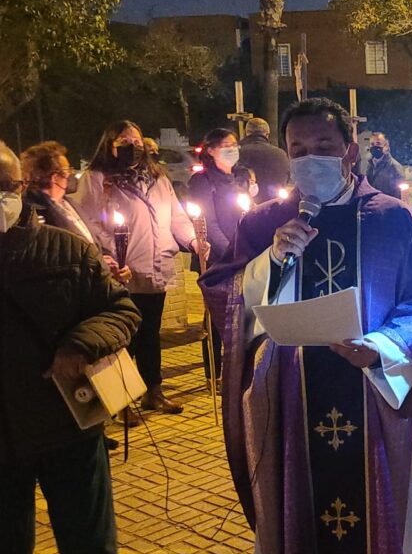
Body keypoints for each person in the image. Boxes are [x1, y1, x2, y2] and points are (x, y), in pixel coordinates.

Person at [199, 98, 412, 554]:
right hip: (292, 402)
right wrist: (270, 263)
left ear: (349, 149)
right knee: (301, 518)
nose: (310, 157)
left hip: (376, 401)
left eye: (323, 146)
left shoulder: (393, 219)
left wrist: (384, 347)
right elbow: (222, 295)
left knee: (383, 528)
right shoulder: (262, 225)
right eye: (298, 148)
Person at [0, 141, 141, 554]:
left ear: (21, 187)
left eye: (3, 185)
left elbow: (122, 311)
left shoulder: (67, 250)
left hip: (68, 427)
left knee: (91, 553)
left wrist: (80, 344)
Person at [71, 120, 205, 423]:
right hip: (121, 272)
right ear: (109, 145)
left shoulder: (157, 178)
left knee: (150, 334)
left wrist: (194, 241)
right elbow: (85, 223)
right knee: (123, 337)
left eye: (136, 141)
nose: (132, 147)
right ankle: (121, 398)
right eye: (124, 142)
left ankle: (152, 390)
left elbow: (177, 216)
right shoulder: (98, 179)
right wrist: (103, 256)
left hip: (154, 267)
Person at [188, 128, 254, 383]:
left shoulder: (237, 178)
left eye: (234, 144)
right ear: (211, 150)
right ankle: (214, 373)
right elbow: (209, 223)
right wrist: (232, 253)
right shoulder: (202, 181)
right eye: (225, 145)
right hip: (218, 257)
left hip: (242, 255)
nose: (232, 149)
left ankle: (239, 368)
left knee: (241, 314)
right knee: (217, 317)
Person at [239, 117, 291, 204]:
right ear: (267, 134)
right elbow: (287, 178)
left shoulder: (239, 153)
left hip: (247, 208)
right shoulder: (281, 154)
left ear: (247, 133)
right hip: (275, 206)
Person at [366, 131, 406, 199]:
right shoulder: (369, 166)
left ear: (386, 146)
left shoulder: (394, 167)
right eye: (372, 144)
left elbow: (400, 195)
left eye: (378, 143)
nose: (375, 146)